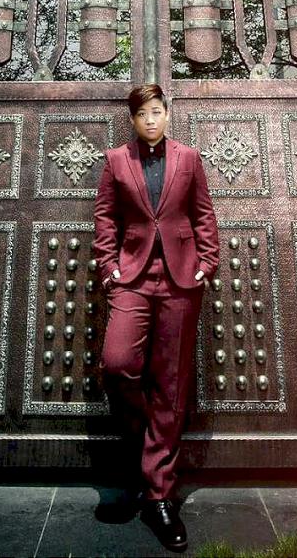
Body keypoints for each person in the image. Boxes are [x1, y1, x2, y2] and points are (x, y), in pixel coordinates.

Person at [92, 83, 219, 552]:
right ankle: (152, 454)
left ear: (167, 114)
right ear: (133, 119)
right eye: (142, 113)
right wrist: (109, 269)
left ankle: (159, 496)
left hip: (182, 280)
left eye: (157, 111)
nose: (150, 119)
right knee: (117, 365)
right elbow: (105, 219)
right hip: (133, 279)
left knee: (171, 383)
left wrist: (208, 261)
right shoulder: (116, 161)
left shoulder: (189, 158)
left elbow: (203, 214)